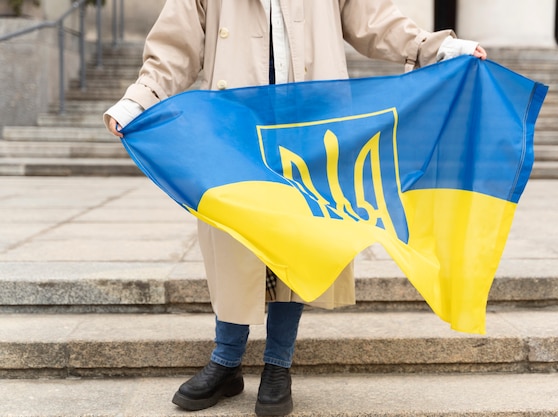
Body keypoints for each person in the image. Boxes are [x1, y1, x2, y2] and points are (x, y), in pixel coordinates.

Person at [104, 1, 486, 415]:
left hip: (310, 131)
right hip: (237, 131)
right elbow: (175, 45)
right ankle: (226, 360)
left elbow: (375, 20)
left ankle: (277, 365)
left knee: (297, 244)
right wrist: (141, 98)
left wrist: (436, 49)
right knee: (236, 241)